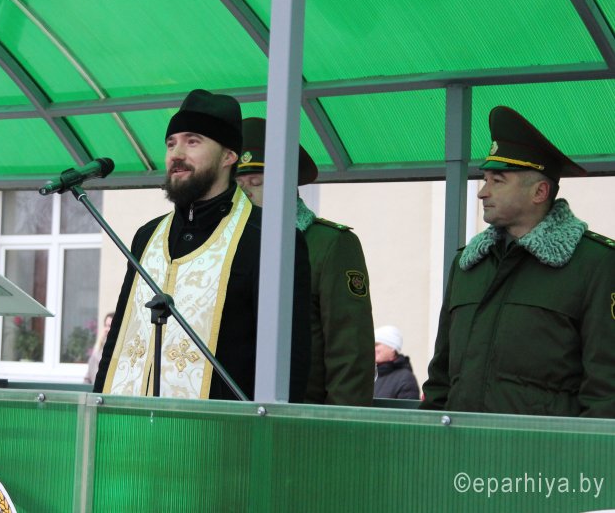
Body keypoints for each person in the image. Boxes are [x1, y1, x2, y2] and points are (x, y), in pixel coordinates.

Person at [94, 89, 311, 401]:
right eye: (171, 143)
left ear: (228, 156)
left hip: (219, 427)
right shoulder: (148, 235)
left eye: (193, 141)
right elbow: (119, 336)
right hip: (131, 424)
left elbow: (290, 360)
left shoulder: (268, 238)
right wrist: (98, 409)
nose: (176, 154)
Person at [422, 105, 615, 417]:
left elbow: (606, 389)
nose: (482, 192)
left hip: (543, 448)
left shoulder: (595, 264)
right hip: (462, 445)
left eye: (497, 181)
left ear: (539, 192)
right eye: (484, 179)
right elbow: (441, 378)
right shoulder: (468, 264)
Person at [235, 117, 375, 406]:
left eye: (257, 182)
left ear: (286, 184)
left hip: (303, 415)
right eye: (237, 184)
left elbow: (349, 350)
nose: (245, 192)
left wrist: (338, 423)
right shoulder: (230, 248)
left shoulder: (329, 243)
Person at [373, 325, 419, 400]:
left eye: (376, 345)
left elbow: (408, 407)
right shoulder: (370, 375)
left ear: (392, 347)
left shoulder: (405, 378)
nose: (372, 349)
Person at [85, 312, 114, 384]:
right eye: (105, 325)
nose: (106, 329)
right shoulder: (96, 354)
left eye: (110, 326)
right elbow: (87, 380)